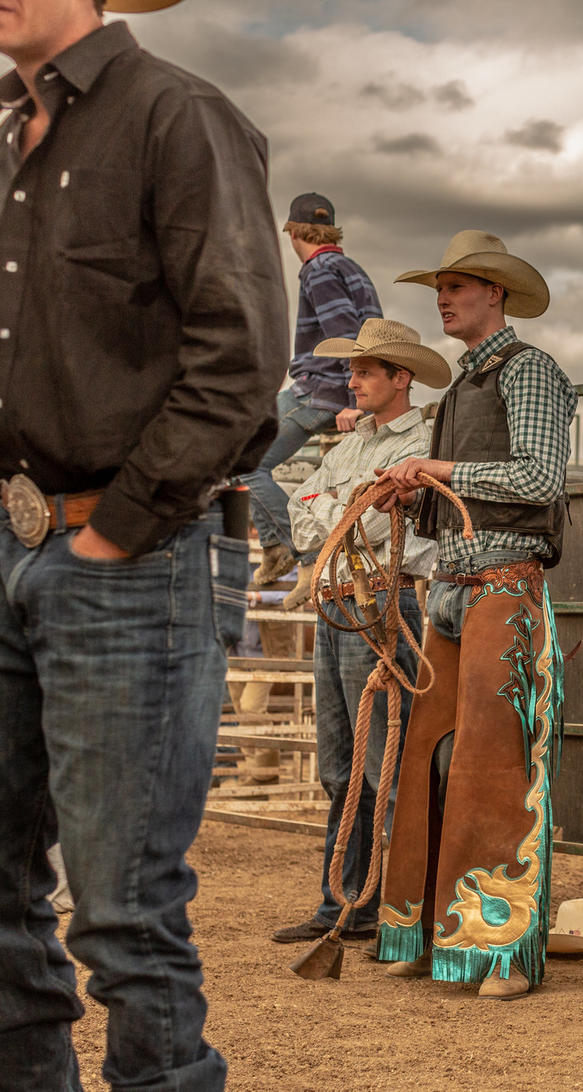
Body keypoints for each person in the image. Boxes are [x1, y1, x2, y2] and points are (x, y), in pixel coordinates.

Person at [0, 0, 287, 1087]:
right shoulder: (9, 143)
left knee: (122, 912)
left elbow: (243, 349)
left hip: (127, 553)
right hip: (20, 540)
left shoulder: (178, 114)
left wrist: (116, 532)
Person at [371, 231, 575, 1001]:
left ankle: (501, 949)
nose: (444, 299)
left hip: (504, 586)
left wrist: (438, 467)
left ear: (496, 293)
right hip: (454, 587)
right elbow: (468, 489)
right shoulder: (462, 387)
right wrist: (411, 489)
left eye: (458, 286)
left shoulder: (530, 372)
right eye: (440, 288)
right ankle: (426, 930)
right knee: (426, 758)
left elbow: (540, 476)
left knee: (492, 765)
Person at [269, 318, 445, 949]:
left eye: (367, 370)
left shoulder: (421, 441)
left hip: (379, 603)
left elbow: (363, 524)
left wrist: (337, 514)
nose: (355, 381)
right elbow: (305, 517)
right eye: (355, 369)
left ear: (401, 378)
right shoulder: (349, 448)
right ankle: (346, 902)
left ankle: (396, 911)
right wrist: (341, 513)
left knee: (384, 763)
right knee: (341, 765)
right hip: (339, 604)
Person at [245, 191, 383, 586]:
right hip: (335, 386)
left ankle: (300, 554)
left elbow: (343, 333)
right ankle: (276, 552)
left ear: (292, 232)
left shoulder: (318, 270)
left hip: (319, 390)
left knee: (245, 458)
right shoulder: (349, 267)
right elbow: (365, 331)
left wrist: (349, 396)